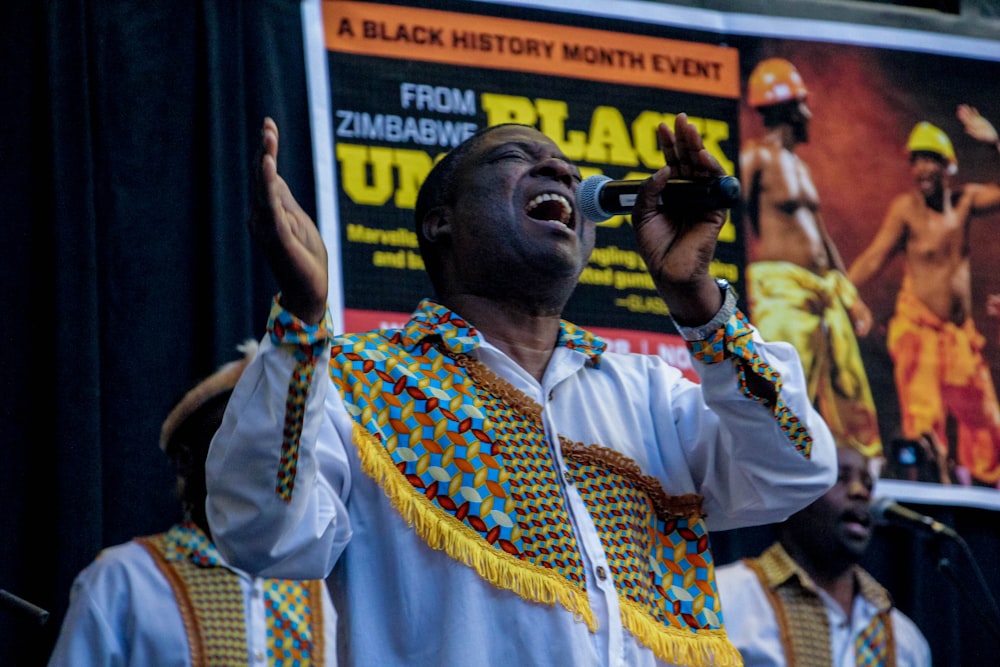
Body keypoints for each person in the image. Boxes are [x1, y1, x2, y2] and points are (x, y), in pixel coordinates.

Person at [204, 113, 838, 666]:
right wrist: (301, 316)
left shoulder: (647, 394)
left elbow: (796, 466)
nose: (560, 172)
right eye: (516, 159)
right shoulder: (358, 382)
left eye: (567, 168)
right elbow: (261, 534)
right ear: (439, 223)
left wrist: (697, 298)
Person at [48, 341, 337, 666]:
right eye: (232, 438)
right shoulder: (122, 578)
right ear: (186, 461)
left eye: (266, 441)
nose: (256, 455)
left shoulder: (317, 585)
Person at [848, 105, 1000, 487]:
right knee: (924, 426)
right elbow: (874, 257)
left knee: (989, 427)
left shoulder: (966, 201)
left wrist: (996, 141)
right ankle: (937, 494)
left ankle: (982, 503)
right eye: (915, 161)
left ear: (948, 166)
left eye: (929, 160)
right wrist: (842, 291)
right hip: (919, 334)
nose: (920, 169)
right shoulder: (906, 210)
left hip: (958, 339)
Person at [741, 57, 882, 459]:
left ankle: (852, 471)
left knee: (848, 391)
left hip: (823, 292)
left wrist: (849, 293)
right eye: (802, 104)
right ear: (786, 108)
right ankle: (774, 464)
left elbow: (821, 236)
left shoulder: (800, 166)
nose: (809, 113)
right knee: (779, 386)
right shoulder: (755, 158)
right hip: (782, 293)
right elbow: (734, 223)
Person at [715, 445, 931, 666]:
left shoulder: (904, 639)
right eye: (839, 478)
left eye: (868, 484)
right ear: (793, 496)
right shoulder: (723, 600)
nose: (860, 492)